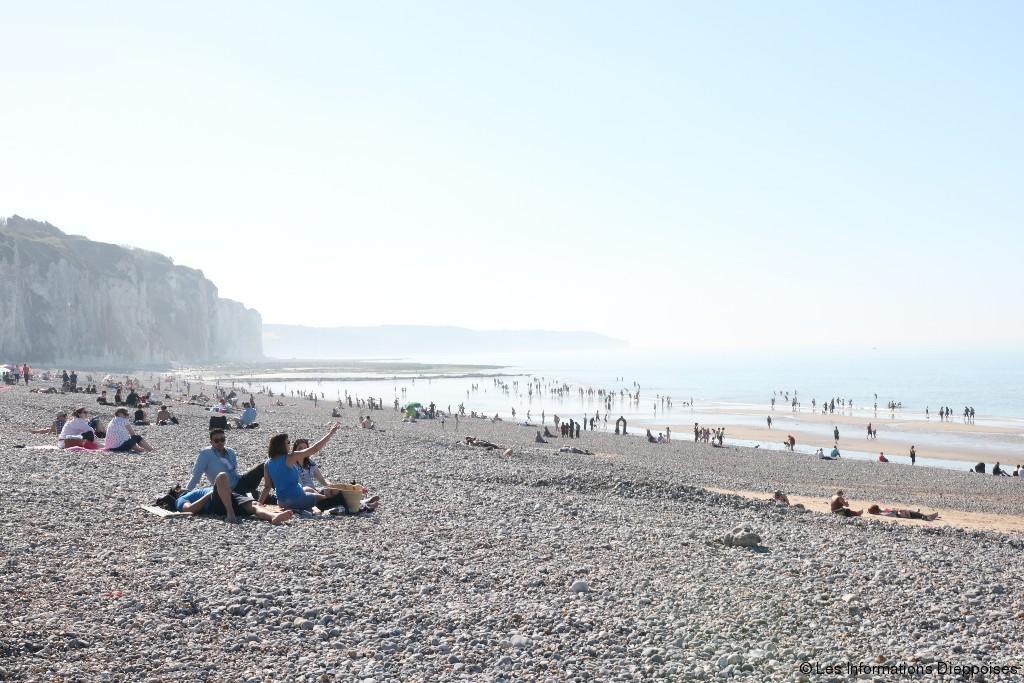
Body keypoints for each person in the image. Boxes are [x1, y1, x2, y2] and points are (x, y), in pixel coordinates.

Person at [260, 425, 350, 513]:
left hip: (282, 502)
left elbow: (267, 487)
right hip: (297, 499)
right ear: (281, 445)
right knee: (328, 498)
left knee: (307, 489)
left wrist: (259, 504)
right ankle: (342, 505)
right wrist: (330, 433)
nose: (289, 445)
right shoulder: (290, 458)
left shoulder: (267, 463)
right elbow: (315, 449)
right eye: (288, 442)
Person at [172, 473, 293, 525]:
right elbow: (189, 509)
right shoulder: (181, 499)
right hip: (215, 502)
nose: (182, 488)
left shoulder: (193, 492)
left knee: (255, 505)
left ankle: (273, 517)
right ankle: (230, 513)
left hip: (228, 496)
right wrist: (209, 494)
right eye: (178, 488)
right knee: (222, 476)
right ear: (177, 492)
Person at [186, 429, 267, 499]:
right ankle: (254, 496)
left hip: (241, 482)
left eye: (222, 439)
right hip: (232, 490)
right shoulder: (205, 454)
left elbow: (235, 472)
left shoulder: (230, 452)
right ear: (211, 442)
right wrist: (186, 493)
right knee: (258, 497)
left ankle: (278, 490)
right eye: (216, 441)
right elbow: (196, 476)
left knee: (264, 466)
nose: (220, 442)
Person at [867, 504, 939, 521]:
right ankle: (927, 517)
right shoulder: (881, 513)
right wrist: (898, 512)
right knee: (915, 514)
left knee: (914, 513)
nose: (880, 508)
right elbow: (891, 514)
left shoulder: (881, 511)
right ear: (876, 510)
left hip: (902, 513)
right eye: (878, 508)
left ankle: (926, 516)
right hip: (903, 515)